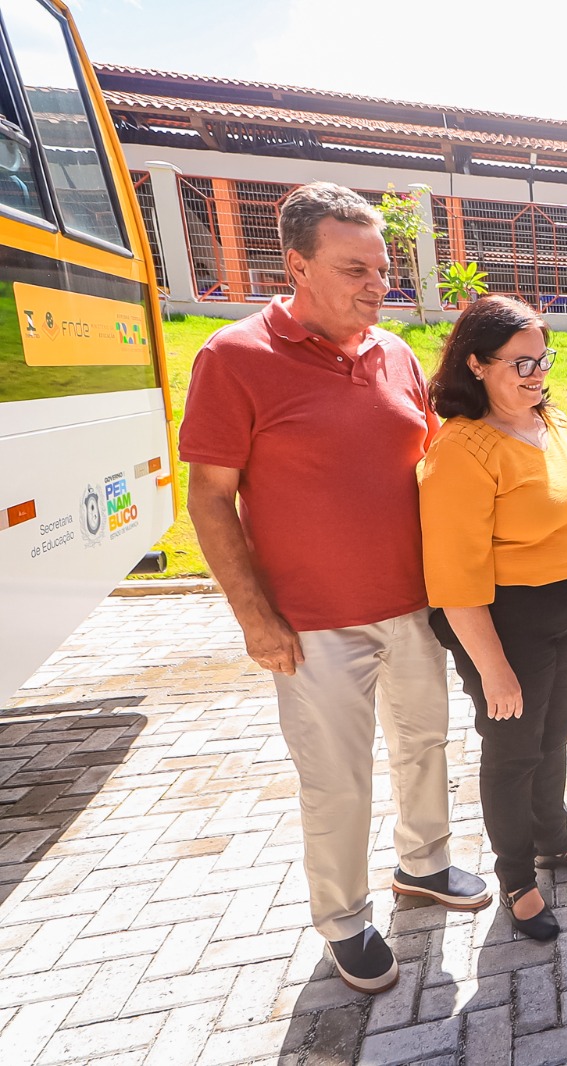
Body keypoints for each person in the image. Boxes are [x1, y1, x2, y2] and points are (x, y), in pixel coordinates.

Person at [181, 182, 489, 995]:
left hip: (415, 609)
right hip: (313, 625)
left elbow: (434, 469)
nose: (378, 284)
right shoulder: (235, 356)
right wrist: (254, 617)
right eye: (356, 269)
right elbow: (209, 498)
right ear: (298, 267)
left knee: (424, 747)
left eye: (382, 268)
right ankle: (345, 921)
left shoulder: (396, 354)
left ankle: (423, 864)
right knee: (338, 781)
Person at [420, 295, 567, 942]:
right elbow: (454, 579)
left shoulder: (550, 422)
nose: (537, 374)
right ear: (476, 364)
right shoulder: (461, 451)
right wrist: (494, 669)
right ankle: (516, 879)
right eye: (521, 363)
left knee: (554, 736)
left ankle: (553, 841)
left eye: (543, 359)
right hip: (506, 622)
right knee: (513, 752)